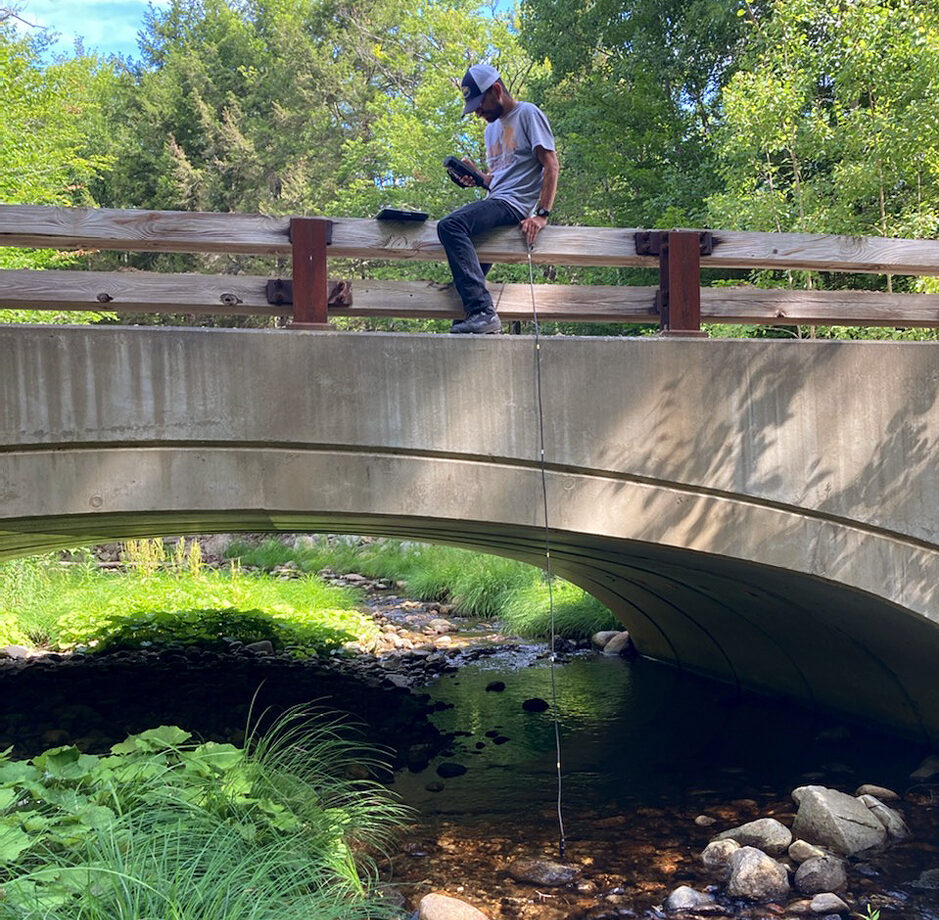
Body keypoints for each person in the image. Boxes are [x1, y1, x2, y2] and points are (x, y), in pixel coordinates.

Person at [437, 64, 559, 334]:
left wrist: (541, 215)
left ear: (496, 90)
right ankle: (475, 317)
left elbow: (551, 164)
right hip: (497, 199)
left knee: (450, 226)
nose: (478, 113)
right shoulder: (490, 130)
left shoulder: (527, 114)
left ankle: (483, 312)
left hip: (514, 205)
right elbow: (500, 177)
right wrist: (478, 177)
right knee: (465, 278)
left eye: (480, 105)